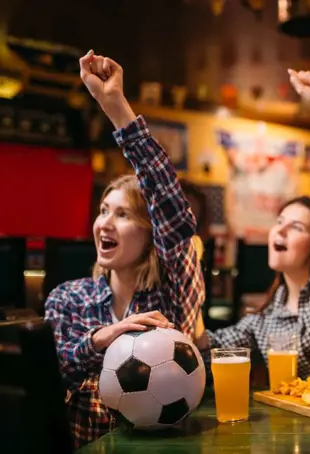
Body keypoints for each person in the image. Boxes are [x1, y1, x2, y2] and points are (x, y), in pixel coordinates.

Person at [44, 50, 205, 449]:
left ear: (152, 235)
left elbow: (171, 209)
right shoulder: (69, 298)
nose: (105, 223)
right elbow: (51, 375)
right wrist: (100, 339)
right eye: (103, 211)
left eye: (123, 215)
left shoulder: (172, 295)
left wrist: (114, 106)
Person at [192, 69, 310, 386]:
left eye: (296, 227)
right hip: (301, 434)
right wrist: (187, 273)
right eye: (279, 223)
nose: (280, 231)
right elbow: (204, 347)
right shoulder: (264, 320)